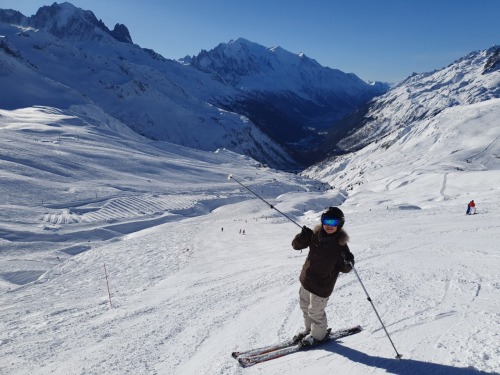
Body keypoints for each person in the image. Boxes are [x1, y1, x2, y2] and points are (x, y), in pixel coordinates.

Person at [291, 207, 355, 346]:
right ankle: (309, 330)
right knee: (305, 307)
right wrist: (302, 237)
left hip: (321, 287)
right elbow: (296, 246)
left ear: (340, 224)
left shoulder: (340, 246)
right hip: (306, 281)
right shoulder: (315, 235)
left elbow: (346, 268)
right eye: (326, 221)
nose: (329, 225)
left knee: (315, 312)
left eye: (333, 222)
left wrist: (348, 260)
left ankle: (318, 336)